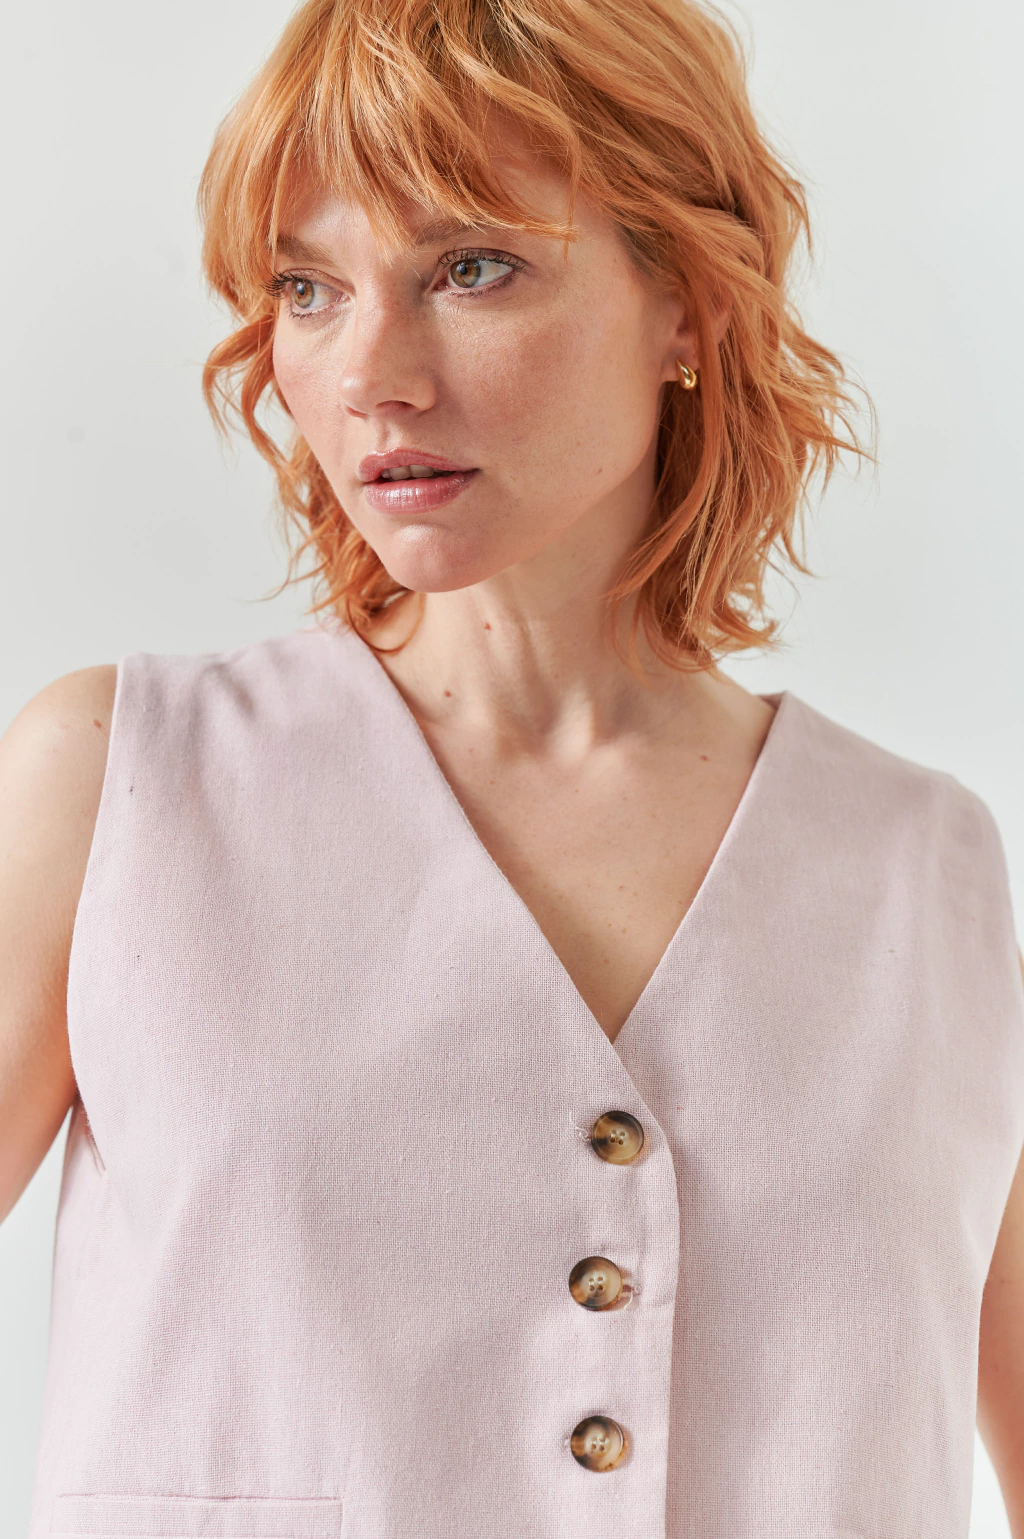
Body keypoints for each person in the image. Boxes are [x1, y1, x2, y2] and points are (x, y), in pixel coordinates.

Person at [2, 0, 1022, 1534]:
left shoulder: (925, 871)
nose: (372, 375)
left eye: (470, 268)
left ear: (688, 304)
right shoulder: (120, 785)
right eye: (306, 287)